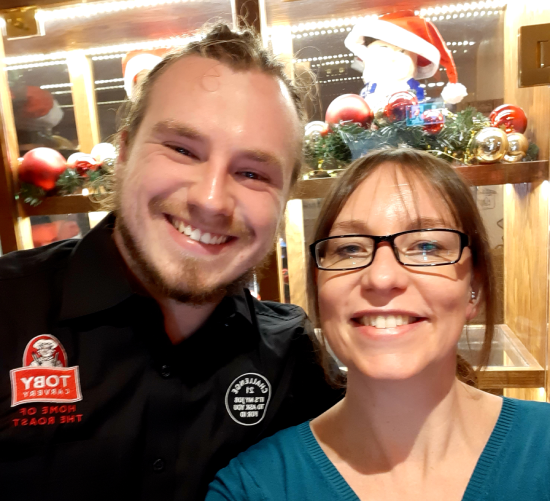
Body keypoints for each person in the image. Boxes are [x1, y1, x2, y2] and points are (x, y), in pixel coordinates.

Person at [0, 24, 341, 501]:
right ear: (122, 155)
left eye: (252, 173)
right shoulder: (8, 309)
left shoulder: (291, 359)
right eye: (182, 150)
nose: (210, 199)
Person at [207, 148, 550, 501]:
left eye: (426, 246)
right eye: (349, 249)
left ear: (474, 289)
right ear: (319, 289)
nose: (382, 277)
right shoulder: (254, 488)